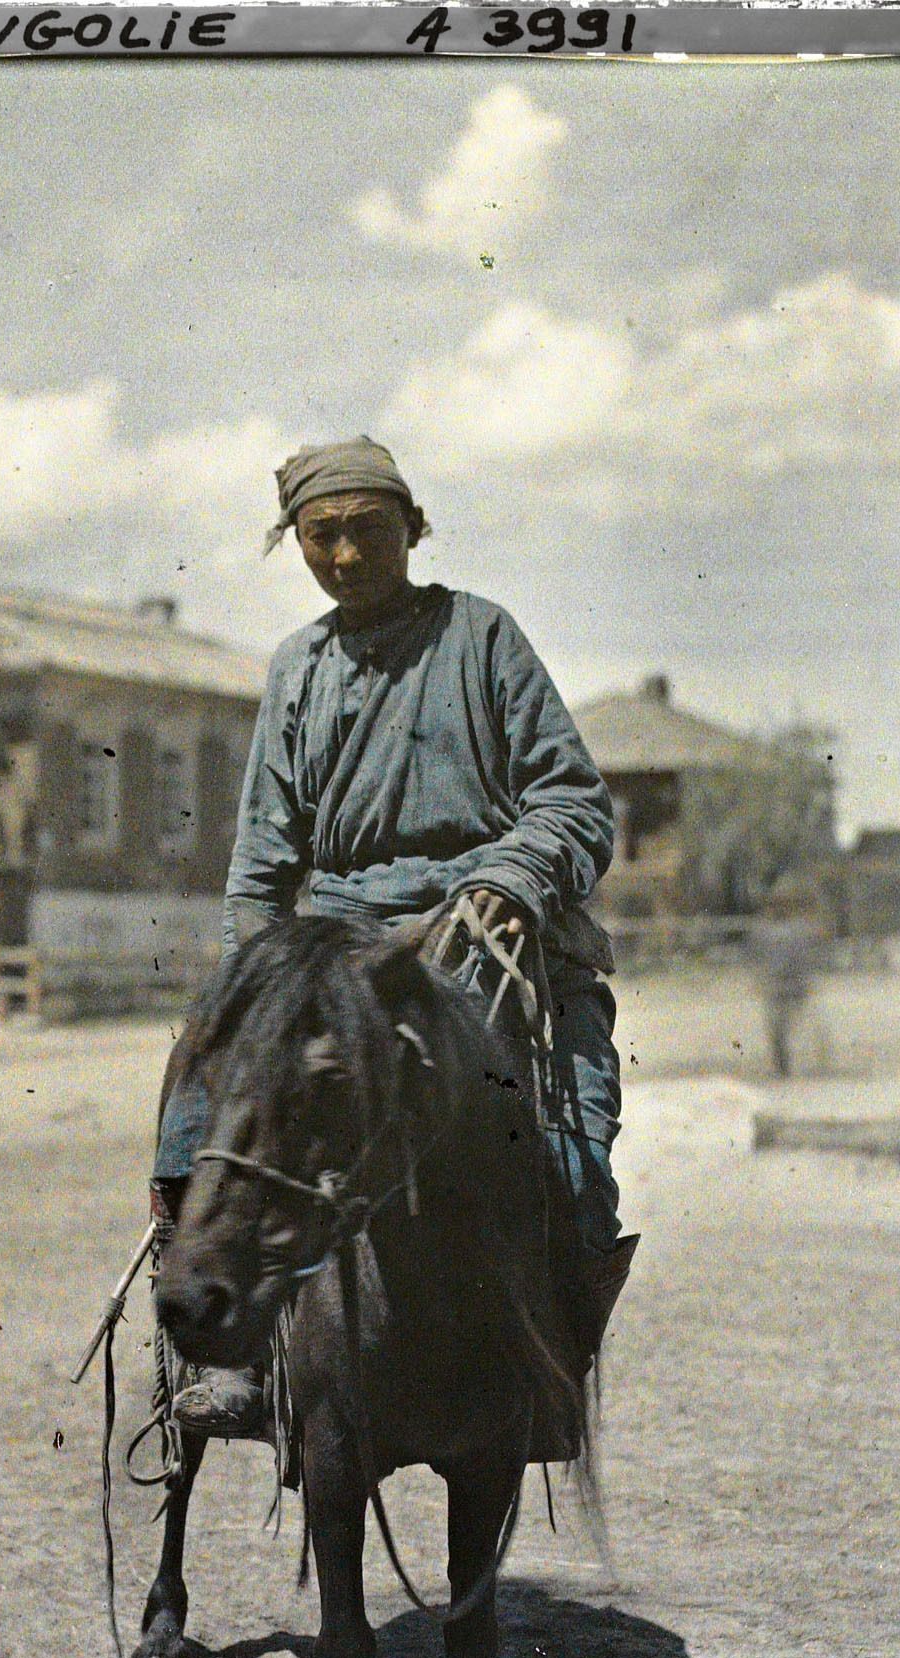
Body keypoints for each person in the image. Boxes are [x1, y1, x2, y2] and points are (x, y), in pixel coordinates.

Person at [154, 435, 633, 1435]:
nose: (343, 555)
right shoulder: (297, 667)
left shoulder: (482, 638)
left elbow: (575, 799)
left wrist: (510, 873)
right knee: (199, 1129)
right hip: (332, 953)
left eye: (366, 530)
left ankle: (544, 1372)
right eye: (319, 535)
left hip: (481, 939)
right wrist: (259, 978)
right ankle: (233, 1356)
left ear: (410, 529)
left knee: (576, 1157)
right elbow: (259, 864)